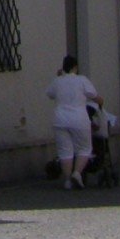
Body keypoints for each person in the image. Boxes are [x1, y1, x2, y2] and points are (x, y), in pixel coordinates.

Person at [45, 54, 101, 190]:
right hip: (79, 119)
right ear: (75, 67)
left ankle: (68, 180)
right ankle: (77, 173)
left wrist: (58, 77)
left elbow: (50, 94)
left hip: (60, 119)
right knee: (84, 148)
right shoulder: (82, 80)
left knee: (65, 151)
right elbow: (95, 96)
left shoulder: (57, 81)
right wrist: (100, 103)